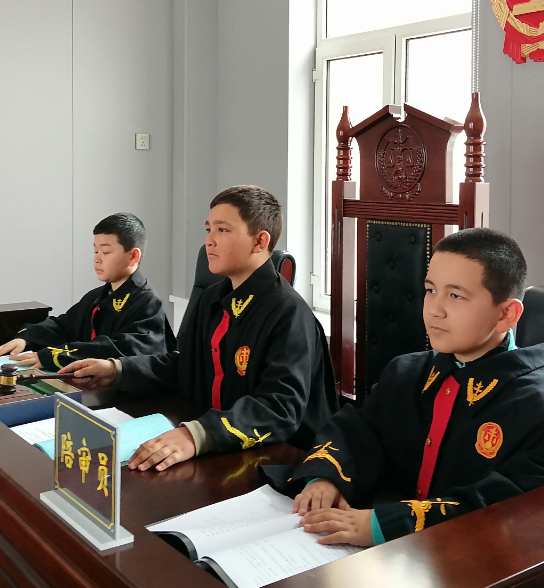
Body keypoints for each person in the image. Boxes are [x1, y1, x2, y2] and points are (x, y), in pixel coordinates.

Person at [276, 228, 544, 547]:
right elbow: (356, 433)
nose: (434, 309)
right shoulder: (407, 373)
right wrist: (326, 477)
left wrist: (385, 525)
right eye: (430, 290)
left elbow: (514, 513)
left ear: (506, 314)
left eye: (456, 295)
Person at [60, 185, 338, 471]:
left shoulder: (288, 312)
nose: (209, 241)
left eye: (223, 230)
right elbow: (185, 365)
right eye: (208, 229)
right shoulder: (212, 298)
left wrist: (197, 435)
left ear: (260, 241)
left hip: (280, 460)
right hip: (214, 440)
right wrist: (117, 369)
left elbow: (279, 408)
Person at [0, 212, 171, 371]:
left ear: (133, 256)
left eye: (106, 252)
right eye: (95, 251)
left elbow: (121, 350)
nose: (97, 259)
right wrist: (27, 338)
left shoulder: (148, 303)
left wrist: (54, 356)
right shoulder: (97, 296)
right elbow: (64, 326)